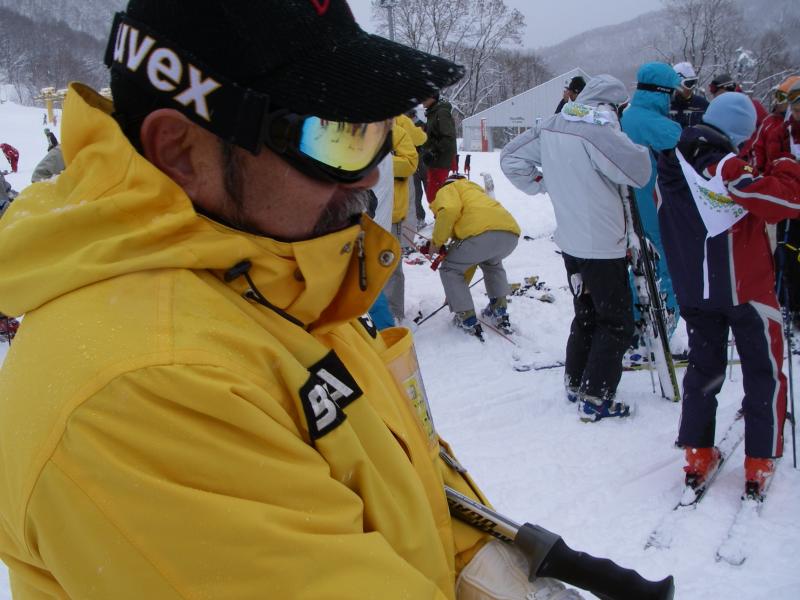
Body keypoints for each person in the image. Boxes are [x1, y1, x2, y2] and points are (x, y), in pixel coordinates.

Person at [0, 2, 586, 599]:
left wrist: (492, 574)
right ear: (179, 150)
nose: (367, 177)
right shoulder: (142, 390)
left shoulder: (281, 273)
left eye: (372, 132)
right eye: (332, 137)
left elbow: (405, 480)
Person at [655, 92, 800, 500]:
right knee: (764, 371)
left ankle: (698, 453)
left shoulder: (672, 158)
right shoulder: (722, 163)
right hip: (744, 287)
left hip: (695, 290)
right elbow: (784, 201)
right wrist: (786, 162)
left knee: (704, 370)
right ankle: (760, 460)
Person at [501, 74, 651, 422]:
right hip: (603, 244)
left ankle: (576, 381)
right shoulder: (599, 130)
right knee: (616, 323)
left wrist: (544, 182)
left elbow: (510, 157)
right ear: (613, 105)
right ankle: (596, 397)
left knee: (587, 313)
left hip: (571, 242)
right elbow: (638, 171)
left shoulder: (555, 123)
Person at [620, 62, 684, 362]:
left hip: (628, 210)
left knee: (638, 270)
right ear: (663, 92)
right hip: (656, 209)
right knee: (667, 271)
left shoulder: (625, 116)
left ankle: (634, 329)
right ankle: (661, 333)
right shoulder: (661, 126)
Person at [425, 174, 520, 338]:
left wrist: (437, 242)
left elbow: (448, 210)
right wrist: (455, 294)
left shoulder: (449, 188)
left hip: (479, 235)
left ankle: (466, 318)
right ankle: (499, 310)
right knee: (492, 264)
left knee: (449, 269)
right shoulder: (476, 192)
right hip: (509, 234)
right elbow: (469, 261)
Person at [383, 119, 418, 322]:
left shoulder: (397, 132)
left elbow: (409, 164)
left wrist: (377, 161)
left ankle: (393, 315)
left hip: (391, 214)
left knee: (390, 266)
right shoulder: (353, 130)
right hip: (357, 213)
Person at [421, 92, 457, 203]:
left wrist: (433, 152)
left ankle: (443, 214)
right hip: (434, 162)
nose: (421, 100)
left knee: (436, 197)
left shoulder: (441, 112)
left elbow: (448, 137)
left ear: (432, 97)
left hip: (441, 162)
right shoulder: (432, 113)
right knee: (433, 197)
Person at [397, 110, 428, 230]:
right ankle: (419, 218)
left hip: (418, 161)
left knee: (418, 192)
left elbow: (423, 139)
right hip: (413, 162)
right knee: (416, 193)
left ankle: (423, 217)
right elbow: (421, 138)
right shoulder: (404, 122)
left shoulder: (414, 124)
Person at [669, 61, 708, 129]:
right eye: (689, 84)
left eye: (694, 83)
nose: (692, 87)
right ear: (677, 84)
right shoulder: (665, 105)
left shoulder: (702, 104)